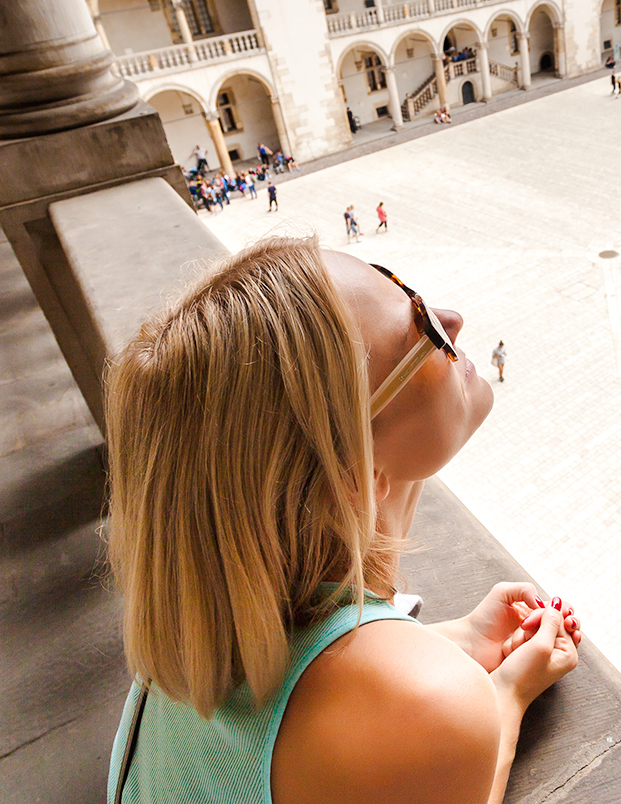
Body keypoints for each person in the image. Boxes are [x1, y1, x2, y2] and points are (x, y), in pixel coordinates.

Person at [104, 238, 582, 804]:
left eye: (409, 291)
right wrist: (504, 696)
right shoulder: (431, 707)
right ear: (355, 471)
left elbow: (301, 684)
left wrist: (461, 638)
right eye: (421, 329)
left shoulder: (203, 618)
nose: (452, 318)